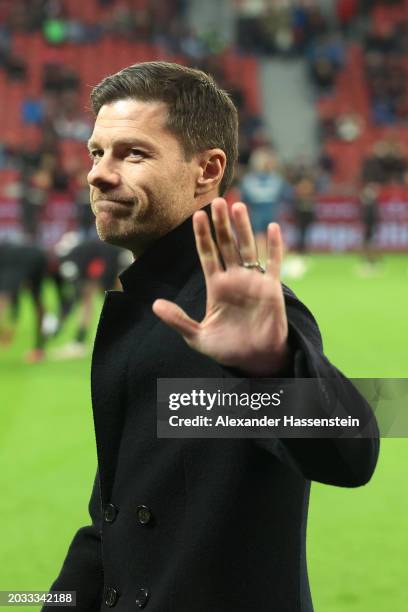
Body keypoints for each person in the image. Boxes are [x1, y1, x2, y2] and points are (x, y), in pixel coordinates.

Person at [43, 61, 379, 611]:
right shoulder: (149, 302)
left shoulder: (244, 312)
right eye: (96, 152)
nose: (98, 174)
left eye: (133, 153)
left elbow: (353, 452)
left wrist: (270, 366)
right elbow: (116, 521)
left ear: (207, 170)